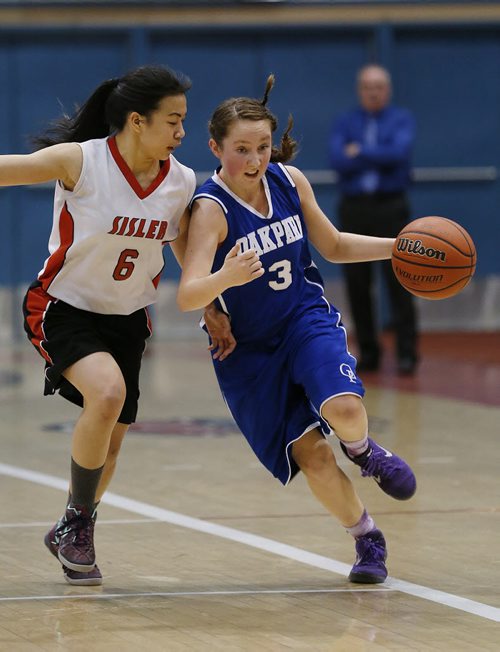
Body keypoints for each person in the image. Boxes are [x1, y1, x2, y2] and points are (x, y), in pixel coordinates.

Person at [177, 76, 417, 584]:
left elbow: (332, 245)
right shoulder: (210, 208)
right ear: (216, 147)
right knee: (311, 455)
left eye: (262, 147)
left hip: (304, 319)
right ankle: (366, 537)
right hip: (249, 350)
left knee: (346, 409)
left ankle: (365, 451)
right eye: (241, 149)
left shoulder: (289, 181)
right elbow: (187, 293)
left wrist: (397, 247)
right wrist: (225, 278)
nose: (254, 159)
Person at [1, 64, 230, 586]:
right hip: (63, 305)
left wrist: (210, 306)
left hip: (129, 317)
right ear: (136, 120)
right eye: (173, 121)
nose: (181, 132)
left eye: (183, 121)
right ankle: (79, 523)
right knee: (106, 395)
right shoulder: (80, 161)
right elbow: (7, 169)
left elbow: (179, 245)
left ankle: (71, 525)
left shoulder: (181, 181)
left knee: (114, 437)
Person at [329, 64, 418, 375]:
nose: (374, 92)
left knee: (400, 280)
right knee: (358, 285)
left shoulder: (400, 119)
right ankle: (369, 352)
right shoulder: (346, 121)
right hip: (354, 209)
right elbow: (338, 159)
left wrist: (360, 152)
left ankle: (407, 353)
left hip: (390, 207)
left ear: (387, 90)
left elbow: (399, 154)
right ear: (360, 90)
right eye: (368, 87)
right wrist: (374, 154)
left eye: (379, 87)